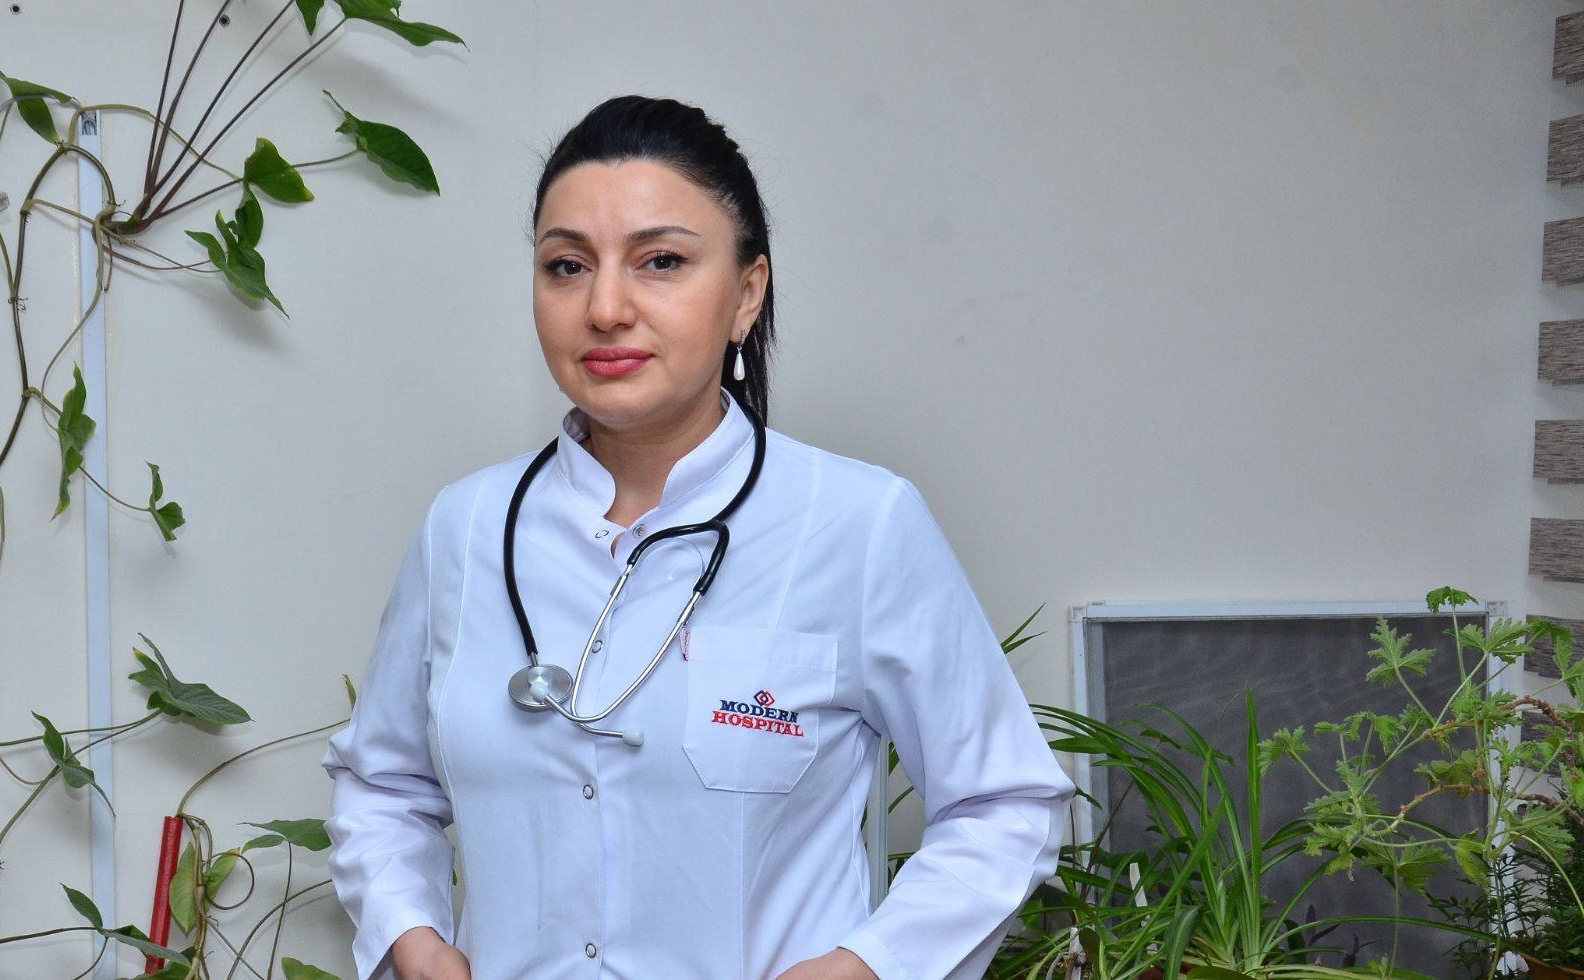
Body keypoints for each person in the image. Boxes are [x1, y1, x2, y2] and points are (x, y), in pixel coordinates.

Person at [321, 95, 1073, 980]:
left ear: (746, 293)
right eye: (566, 266)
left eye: (662, 261)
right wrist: (413, 940)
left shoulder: (858, 522)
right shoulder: (467, 526)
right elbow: (382, 786)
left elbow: (1004, 803)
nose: (605, 307)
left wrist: (867, 967)